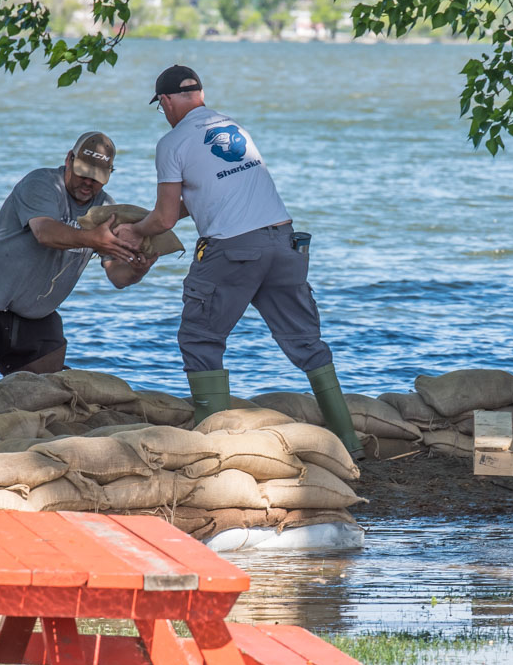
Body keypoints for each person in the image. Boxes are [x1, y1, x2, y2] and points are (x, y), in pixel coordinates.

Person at [119, 64, 363, 456]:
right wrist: (155, 218)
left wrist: (136, 230)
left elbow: (164, 218)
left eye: (161, 106)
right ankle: (349, 442)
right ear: (199, 94)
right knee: (306, 341)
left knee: (200, 338)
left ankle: (211, 449)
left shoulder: (173, 142)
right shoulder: (234, 127)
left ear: (165, 101)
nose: (163, 113)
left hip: (233, 249)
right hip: (284, 243)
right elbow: (207, 195)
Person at [0, 131, 152, 388]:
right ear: (69, 159)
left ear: (110, 174)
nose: (88, 183)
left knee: (46, 394)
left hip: (33, 319)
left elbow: (117, 276)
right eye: (83, 172)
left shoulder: (105, 210)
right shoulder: (41, 183)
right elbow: (44, 232)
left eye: (98, 178)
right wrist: (93, 238)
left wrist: (137, 270)